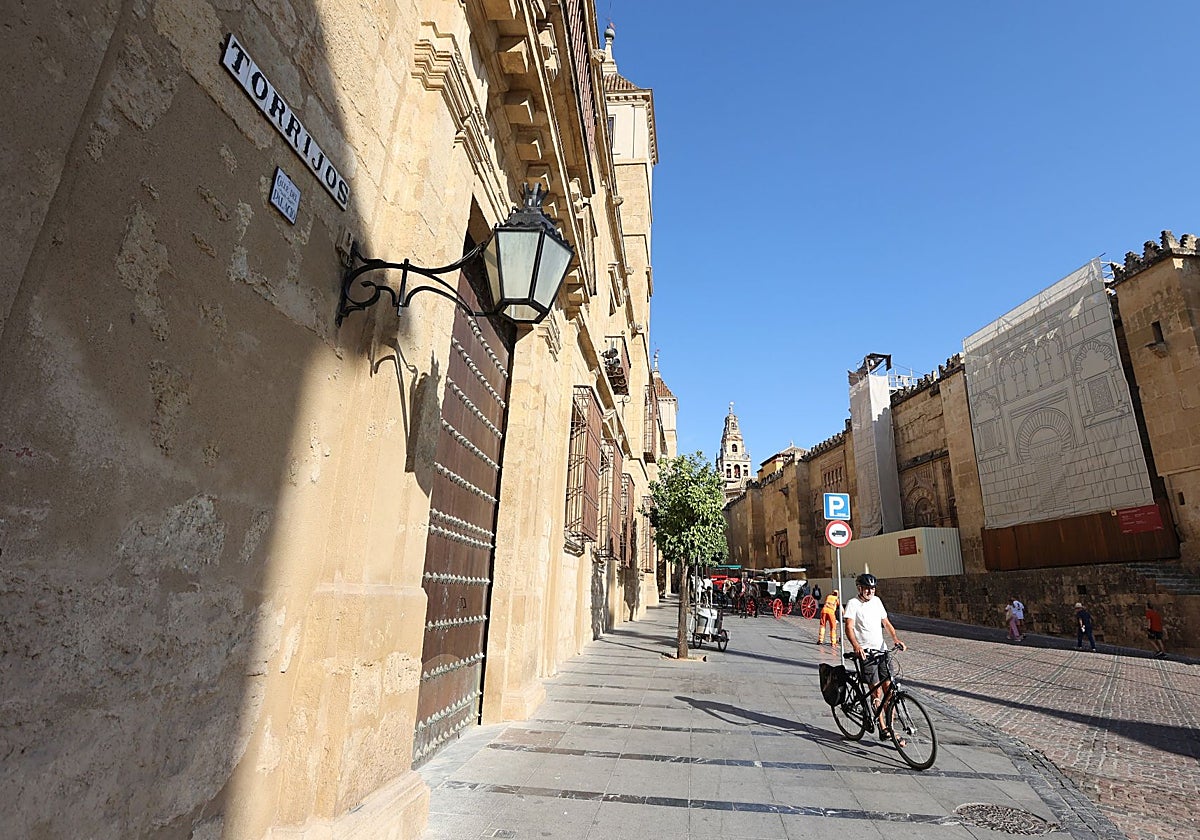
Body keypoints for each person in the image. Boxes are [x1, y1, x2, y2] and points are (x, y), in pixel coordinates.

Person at [844, 573, 906, 745]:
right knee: (876, 692)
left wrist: (895, 639)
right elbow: (849, 627)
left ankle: (891, 728)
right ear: (859, 589)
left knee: (890, 690)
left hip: (882, 652)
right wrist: (856, 646)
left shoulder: (877, 602)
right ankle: (883, 727)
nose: (870, 591)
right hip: (867, 654)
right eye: (867, 588)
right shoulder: (853, 604)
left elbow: (886, 623)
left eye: (872, 588)